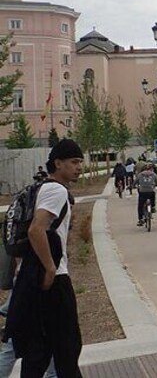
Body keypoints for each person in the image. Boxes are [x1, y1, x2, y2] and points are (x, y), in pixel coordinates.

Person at [5, 138, 84, 377]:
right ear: (58, 163)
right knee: (67, 347)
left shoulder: (40, 188)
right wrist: (50, 268)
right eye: (74, 162)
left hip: (34, 277)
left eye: (80, 161)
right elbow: (35, 230)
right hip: (54, 279)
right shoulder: (56, 190)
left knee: (39, 350)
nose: (79, 166)